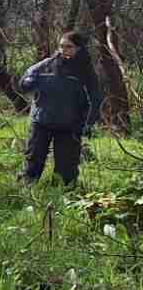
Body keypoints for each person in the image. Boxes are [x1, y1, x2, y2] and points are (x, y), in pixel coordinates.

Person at [18, 30, 102, 186]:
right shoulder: (46, 65)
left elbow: (95, 99)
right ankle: (25, 190)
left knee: (66, 169)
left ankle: (63, 197)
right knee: (32, 160)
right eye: (61, 46)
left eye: (69, 47)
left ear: (79, 49)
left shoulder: (86, 72)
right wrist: (28, 82)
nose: (63, 50)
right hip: (40, 122)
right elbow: (23, 84)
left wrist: (88, 124)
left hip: (70, 126)